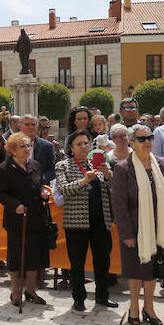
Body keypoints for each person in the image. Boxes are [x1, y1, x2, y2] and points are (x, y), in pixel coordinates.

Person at [112, 124, 164, 325]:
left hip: (158, 227)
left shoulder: (162, 164)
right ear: (132, 143)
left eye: (150, 137)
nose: (147, 141)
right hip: (134, 229)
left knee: (152, 272)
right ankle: (134, 308)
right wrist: (127, 234)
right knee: (135, 271)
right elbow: (119, 205)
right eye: (141, 139)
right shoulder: (123, 168)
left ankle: (150, 307)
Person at [56, 129, 116, 312]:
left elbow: (112, 186)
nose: (84, 146)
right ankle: (79, 298)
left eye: (86, 142)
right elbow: (64, 189)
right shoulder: (63, 165)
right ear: (71, 148)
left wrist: (107, 174)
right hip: (76, 222)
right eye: (79, 144)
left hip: (101, 220)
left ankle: (102, 297)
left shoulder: (98, 163)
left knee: (103, 260)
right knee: (77, 262)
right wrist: (83, 181)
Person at [0, 132, 50, 306]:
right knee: (16, 256)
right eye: (22, 146)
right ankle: (15, 292)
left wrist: (43, 194)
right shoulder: (4, 168)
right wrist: (14, 205)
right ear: (12, 150)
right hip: (16, 219)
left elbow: (38, 185)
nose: (27, 149)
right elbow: (0, 193)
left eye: (29, 146)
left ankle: (31, 291)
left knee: (34, 256)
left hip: (35, 217)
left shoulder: (35, 165)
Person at [20, 114, 56, 182]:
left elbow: (52, 169)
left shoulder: (47, 146)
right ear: (20, 127)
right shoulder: (13, 145)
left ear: (37, 127)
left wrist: (40, 180)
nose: (30, 127)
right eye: (27, 124)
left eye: (33, 125)